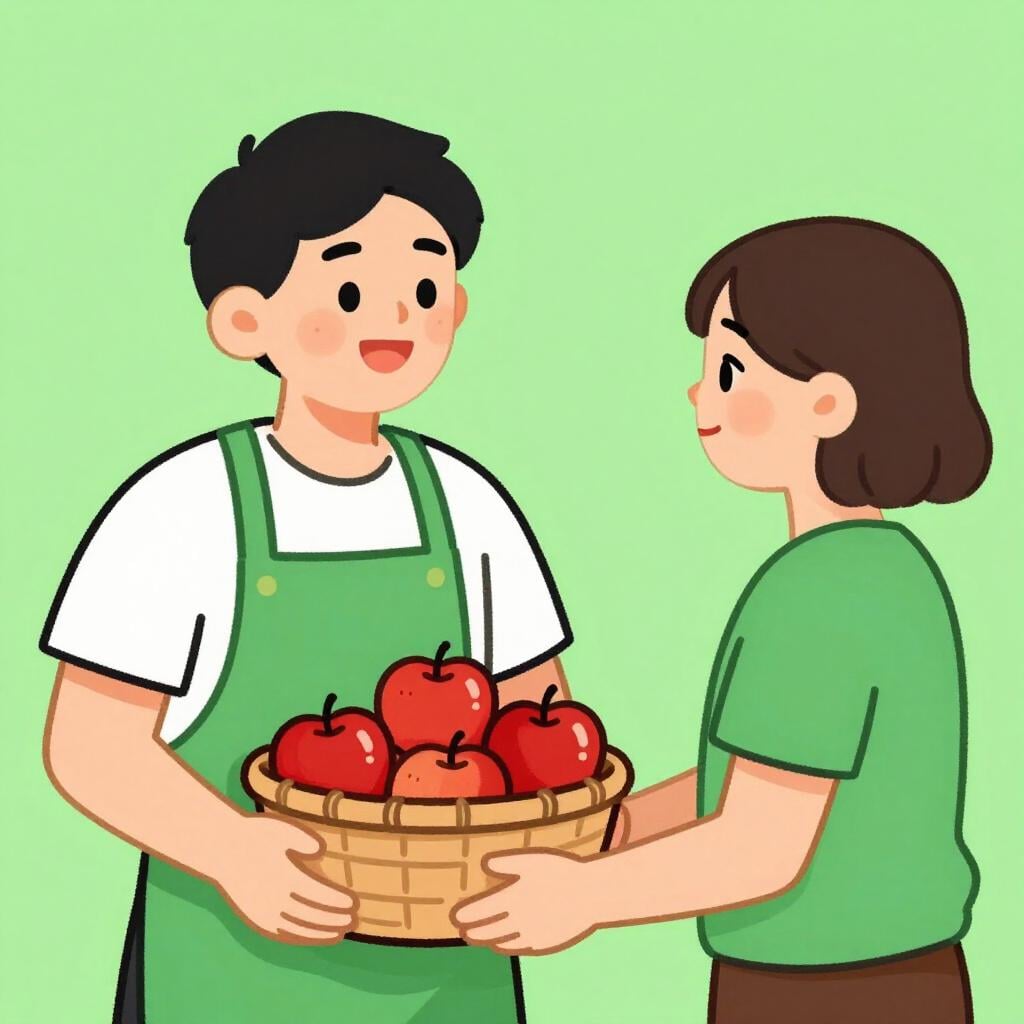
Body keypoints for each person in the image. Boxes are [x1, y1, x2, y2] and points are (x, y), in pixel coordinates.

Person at [40, 111, 573, 1024]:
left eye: (425, 282)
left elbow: (540, 734)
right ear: (244, 318)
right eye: (352, 287)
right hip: (222, 977)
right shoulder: (182, 506)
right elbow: (90, 745)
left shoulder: (469, 505)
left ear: (457, 305)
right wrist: (231, 852)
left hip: (447, 987)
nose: (397, 314)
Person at [453, 217, 989, 1024]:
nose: (699, 393)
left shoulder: (818, 593)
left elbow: (761, 847)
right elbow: (758, 780)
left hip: (823, 991)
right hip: (903, 975)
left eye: (730, 368)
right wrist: (619, 826)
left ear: (828, 402)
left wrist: (586, 895)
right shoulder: (888, 568)